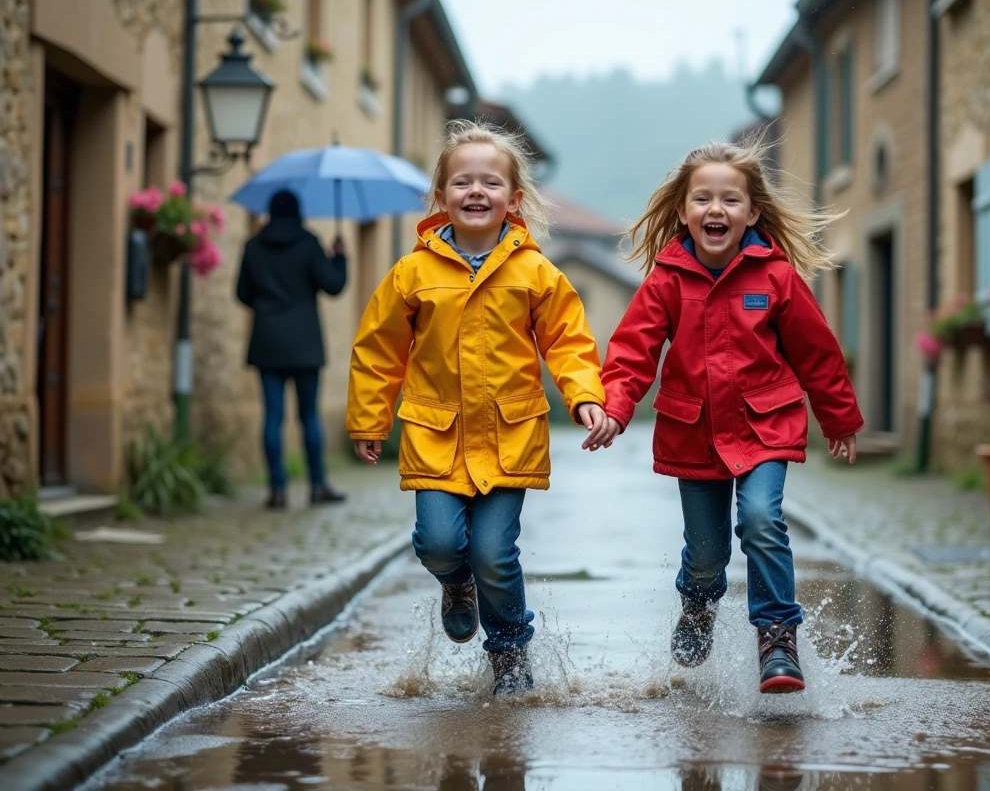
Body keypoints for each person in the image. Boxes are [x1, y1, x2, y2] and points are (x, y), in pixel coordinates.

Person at [346, 120, 611, 695]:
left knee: (495, 553)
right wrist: (370, 417)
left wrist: (586, 396)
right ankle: (454, 583)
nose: (475, 191)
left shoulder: (535, 271)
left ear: (513, 200)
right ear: (440, 197)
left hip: (509, 436)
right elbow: (378, 347)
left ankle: (511, 651)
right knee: (441, 544)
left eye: (490, 183)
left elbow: (568, 341)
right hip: (436, 434)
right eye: (462, 182)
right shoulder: (413, 272)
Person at [594, 135, 863, 694]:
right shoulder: (667, 280)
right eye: (702, 199)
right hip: (694, 435)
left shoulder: (775, 276)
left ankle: (777, 638)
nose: (716, 210)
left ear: (752, 212)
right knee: (708, 553)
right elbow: (632, 352)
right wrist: (616, 410)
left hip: (765, 426)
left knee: (762, 519)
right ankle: (697, 604)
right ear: (685, 212)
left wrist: (839, 419)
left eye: (730, 200)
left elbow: (817, 351)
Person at [236, 189, 349, 510]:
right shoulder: (309, 243)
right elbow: (333, 285)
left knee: (272, 417)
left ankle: (277, 489)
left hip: (267, 341)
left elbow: (241, 292)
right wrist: (339, 257)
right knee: (308, 416)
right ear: (298, 211)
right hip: (304, 343)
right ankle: (317, 485)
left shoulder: (253, 246)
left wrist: (267, 304)